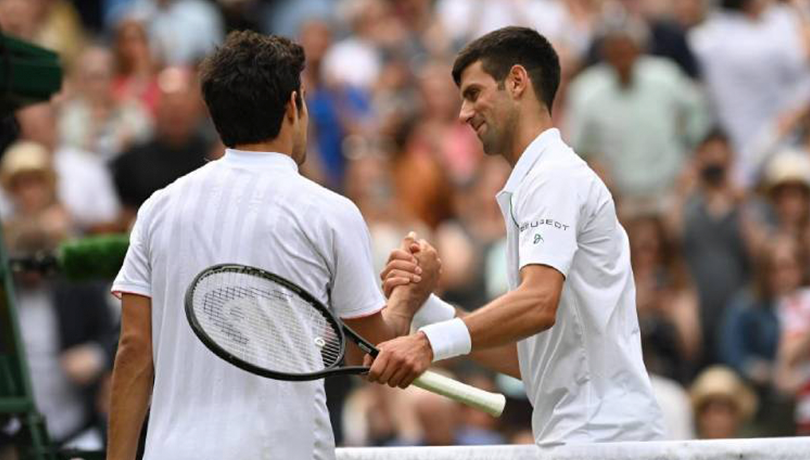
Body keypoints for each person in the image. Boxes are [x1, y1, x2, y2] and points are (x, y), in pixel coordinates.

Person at [105, 30, 438, 460]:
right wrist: (410, 294)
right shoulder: (330, 212)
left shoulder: (157, 209)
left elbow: (134, 351)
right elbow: (371, 355)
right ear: (293, 106)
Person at [368, 26, 665, 446]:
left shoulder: (553, 177)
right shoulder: (536, 182)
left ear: (517, 81)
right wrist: (425, 308)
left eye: (473, 93)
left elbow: (539, 303)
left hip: (602, 440)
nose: (463, 114)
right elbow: (530, 361)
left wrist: (426, 343)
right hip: (587, 437)